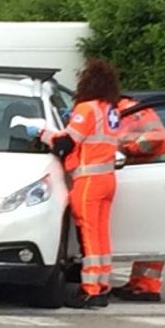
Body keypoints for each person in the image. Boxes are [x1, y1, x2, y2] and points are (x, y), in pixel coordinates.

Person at [43, 59, 123, 309]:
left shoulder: (87, 109)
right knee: (100, 235)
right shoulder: (111, 110)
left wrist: (43, 134)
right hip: (108, 179)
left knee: (89, 236)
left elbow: (66, 143)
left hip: (88, 180)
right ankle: (101, 286)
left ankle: (89, 290)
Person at [112, 93, 165, 302]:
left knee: (152, 228)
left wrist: (126, 148)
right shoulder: (123, 112)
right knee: (145, 229)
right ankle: (138, 282)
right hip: (151, 171)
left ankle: (149, 286)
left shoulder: (131, 111)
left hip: (159, 171)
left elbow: (154, 136)